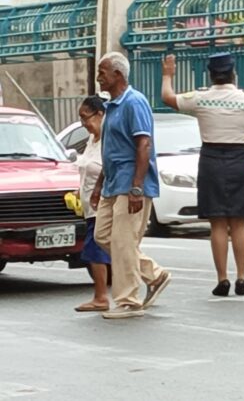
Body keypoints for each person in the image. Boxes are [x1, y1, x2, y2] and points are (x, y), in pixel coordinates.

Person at [161, 52, 244, 296]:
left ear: (211, 75)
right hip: (239, 159)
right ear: (233, 73)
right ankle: (242, 277)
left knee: (218, 223)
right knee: (239, 222)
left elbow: (168, 98)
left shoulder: (201, 98)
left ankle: (222, 279)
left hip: (211, 160)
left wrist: (168, 75)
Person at [90, 52, 171, 320]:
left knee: (123, 241)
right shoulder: (112, 106)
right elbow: (110, 149)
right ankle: (153, 274)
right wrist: (99, 184)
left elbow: (143, 144)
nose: (99, 78)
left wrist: (137, 187)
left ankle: (128, 301)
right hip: (112, 183)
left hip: (130, 184)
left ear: (118, 75)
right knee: (103, 236)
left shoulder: (134, 102)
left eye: (102, 73)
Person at [74, 95, 111, 312]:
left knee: (95, 250)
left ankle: (101, 297)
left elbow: (107, 169)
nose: (84, 123)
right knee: (108, 250)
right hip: (89, 207)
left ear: (100, 114)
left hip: (102, 206)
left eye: (85, 117)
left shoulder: (108, 139)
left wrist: (97, 191)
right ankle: (153, 276)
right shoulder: (92, 140)